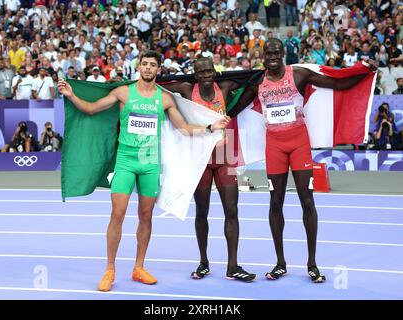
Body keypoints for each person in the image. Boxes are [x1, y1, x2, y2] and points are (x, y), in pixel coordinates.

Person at [57, 50, 230, 292]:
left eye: (152, 65)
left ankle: (139, 267)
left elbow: (183, 128)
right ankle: (109, 269)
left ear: (158, 69)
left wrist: (211, 126)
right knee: (117, 213)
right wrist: (71, 95)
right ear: (139, 67)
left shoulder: (165, 98)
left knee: (146, 216)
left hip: (149, 165)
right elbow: (91, 109)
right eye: (144, 64)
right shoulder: (123, 93)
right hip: (126, 162)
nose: (148, 68)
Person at [228, 38, 377, 283]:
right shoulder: (257, 83)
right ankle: (280, 263)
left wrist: (364, 71)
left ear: (283, 53)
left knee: (307, 200)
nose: (273, 56)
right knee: (275, 201)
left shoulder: (298, 74)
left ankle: (312, 264)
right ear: (263, 56)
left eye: (277, 51)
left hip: (299, 144)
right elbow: (234, 108)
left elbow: (338, 84)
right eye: (269, 53)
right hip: (274, 147)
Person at [161, 57, 256, 282]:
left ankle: (233, 266)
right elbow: (160, 88)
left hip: (225, 154)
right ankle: (203, 262)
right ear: (195, 74)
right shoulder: (186, 89)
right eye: (201, 72)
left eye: (209, 71)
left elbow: (253, 83)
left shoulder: (225, 87)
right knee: (202, 210)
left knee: (232, 210)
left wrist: (235, 106)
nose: (206, 76)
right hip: (200, 157)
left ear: (215, 72)